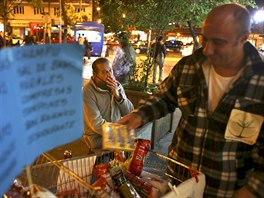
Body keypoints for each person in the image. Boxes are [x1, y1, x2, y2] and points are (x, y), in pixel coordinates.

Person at [118, 3, 264, 198]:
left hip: (227, 190)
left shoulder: (260, 82)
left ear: (244, 39)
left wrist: (253, 190)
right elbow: (164, 98)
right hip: (179, 182)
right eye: (204, 39)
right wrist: (140, 115)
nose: (207, 50)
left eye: (218, 42)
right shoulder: (189, 66)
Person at [83, 57, 134, 149]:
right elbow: (97, 125)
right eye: (104, 72)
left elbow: (129, 112)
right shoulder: (87, 91)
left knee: (137, 141)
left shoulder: (116, 86)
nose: (110, 75)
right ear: (95, 75)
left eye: (110, 70)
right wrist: (121, 134)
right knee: (131, 142)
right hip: (96, 138)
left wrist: (118, 97)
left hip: (114, 131)